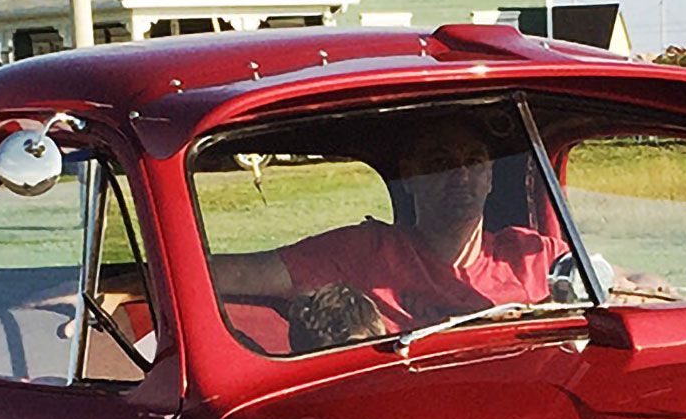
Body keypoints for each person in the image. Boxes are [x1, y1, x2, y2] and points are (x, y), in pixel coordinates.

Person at [209, 116, 564, 332]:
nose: (461, 176)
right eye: (441, 163)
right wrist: (153, 279)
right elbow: (241, 273)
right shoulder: (365, 251)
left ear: (490, 177)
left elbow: (614, 288)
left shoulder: (532, 257)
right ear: (409, 175)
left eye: (474, 161)